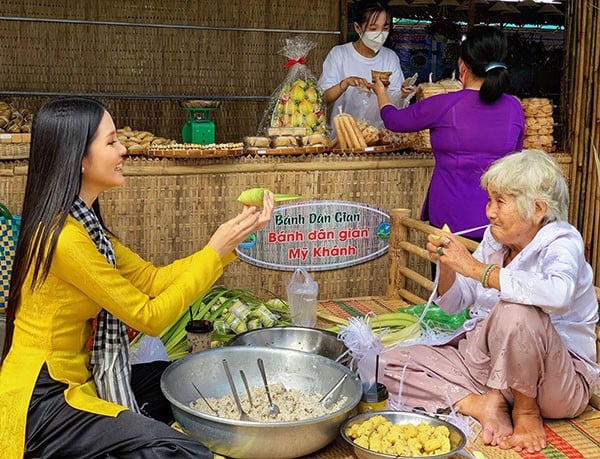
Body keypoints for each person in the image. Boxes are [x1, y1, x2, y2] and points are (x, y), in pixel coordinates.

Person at [0, 97, 275, 458]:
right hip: (46, 397)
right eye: (111, 142)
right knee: (177, 449)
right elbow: (148, 317)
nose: (123, 149)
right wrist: (212, 252)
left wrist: (224, 246)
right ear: (78, 158)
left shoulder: (88, 229)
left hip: (78, 377)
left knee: (169, 381)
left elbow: (152, 279)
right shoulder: (64, 239)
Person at [379, 150, 599, 453]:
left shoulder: (562, 242)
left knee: (517, 310)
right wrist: (449, 265)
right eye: (490, 200)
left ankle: (525, 411)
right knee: (383, 363)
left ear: (536, 209)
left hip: (555, 383)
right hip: (491, 369)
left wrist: (475, 269)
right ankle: (481, 404)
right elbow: (455, 303)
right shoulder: (497, 241)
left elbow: (557, 296)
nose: (490, 212)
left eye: (501, 202)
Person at [373, 25, 525, 241]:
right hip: (498, 221)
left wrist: (381, 92)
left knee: (445, 275)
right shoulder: (514, 108)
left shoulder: (443, 104)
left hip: (450, 221)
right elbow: (517, 156)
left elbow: (393, 120)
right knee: (489, 275)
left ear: (462, 64)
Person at [318, 0, 411, 131]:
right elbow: (322, 99)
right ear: (357, 28)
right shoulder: (339, 54)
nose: (380, 34)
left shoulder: (390, 57)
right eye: (373, 29)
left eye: (385, 28)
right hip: (344, 138)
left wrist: (403, 94)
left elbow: (396, 100)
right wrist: (344, 84)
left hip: (380, 137)